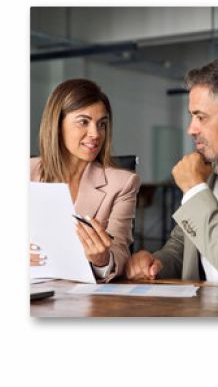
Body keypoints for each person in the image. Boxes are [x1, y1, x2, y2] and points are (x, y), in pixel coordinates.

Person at [125, 57, 218, 291]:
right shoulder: (209, 171)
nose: (191, 129)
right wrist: (157, 263)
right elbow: (182, 246)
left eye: (201, 117)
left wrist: (195, 189)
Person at [30, 78, 140, 282]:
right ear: (57, 124)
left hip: (84, 296)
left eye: (102, 124)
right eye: (83, 122)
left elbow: (120, 252)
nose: (95, 134)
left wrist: (101, 260)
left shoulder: (122, 183)